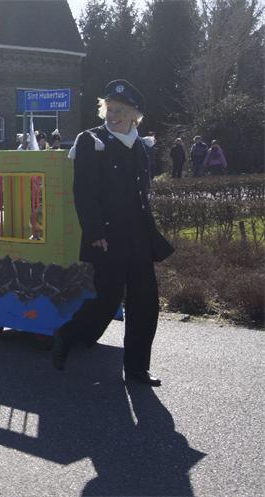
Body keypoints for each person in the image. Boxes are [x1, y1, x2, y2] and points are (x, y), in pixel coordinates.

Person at [54, 79, 174, 387]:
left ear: (135, 115)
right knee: (107, 300)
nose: (114, 115)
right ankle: (68, 334)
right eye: (110, 109)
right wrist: (94, 231)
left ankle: (136, 368)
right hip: (107, 236)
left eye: (121, 110)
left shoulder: (140, 145)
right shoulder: (90, 141)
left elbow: (141, 192)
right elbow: (84, 192)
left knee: (145, 303)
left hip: (139, 236)